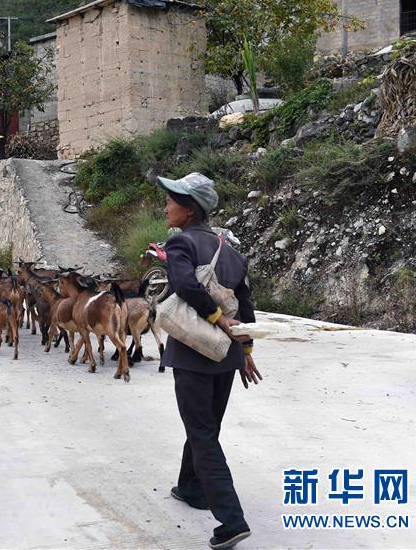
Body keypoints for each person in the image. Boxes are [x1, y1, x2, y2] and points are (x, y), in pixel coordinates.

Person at [157, 172, 262, 550]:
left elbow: (185, 285)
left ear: (188, 210)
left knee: (202, 433)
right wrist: (245, 351)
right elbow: (245, 306)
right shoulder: (232, 250)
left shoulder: (180, 243)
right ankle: (190, 487)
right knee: (205, 427)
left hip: (194, 353)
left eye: (171, 201)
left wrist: (215, 318)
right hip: (227, 357)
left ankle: (231, 521)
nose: (166, 206)